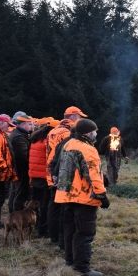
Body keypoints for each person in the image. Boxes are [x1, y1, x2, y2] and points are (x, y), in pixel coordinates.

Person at [54, 118, 110, 276]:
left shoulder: (69, 144)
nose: (97, 134)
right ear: (88, 132)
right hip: (82, 197)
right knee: (85, 233)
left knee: (70, 230)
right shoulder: (88, 149)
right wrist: (102, 195)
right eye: (95, 131)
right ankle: (82, 268)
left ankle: (70, 262)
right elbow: (93, 175)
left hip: (66, 196)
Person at [46, 106, 87, 248]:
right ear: (73, 117)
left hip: (52, 172)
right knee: (63, 210)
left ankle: (53, 236)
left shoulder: (53, 130)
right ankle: (61, 240)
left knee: (53, 206)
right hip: (62, 174)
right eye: (80, 117)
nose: (81, 119)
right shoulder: (67, 133)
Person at [28, 117, 55, 237]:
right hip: (44, 177)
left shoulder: (35, 138)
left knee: (35, 202)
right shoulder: (47, 141)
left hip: (34, 176)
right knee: (44, 204)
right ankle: (43, 230)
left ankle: (34, 224)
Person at [8, 114, 34, 213]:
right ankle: (16, 214)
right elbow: (23, 157)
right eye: (29, 124)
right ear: (23, 124)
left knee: (15, 192)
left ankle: (13, 212)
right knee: (20, 193)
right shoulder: (19, 137)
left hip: (17, 169)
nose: (32, 126)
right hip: (21, 170)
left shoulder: (18, 134)